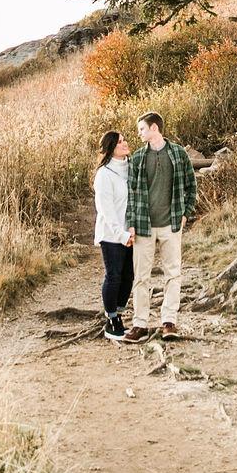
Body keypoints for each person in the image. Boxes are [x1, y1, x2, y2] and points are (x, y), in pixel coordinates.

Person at [119, 112, 197, 342]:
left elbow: (191, 186)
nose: (139, 133)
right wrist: (131, 223)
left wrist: (186, 214)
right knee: (141, 277)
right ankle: (139, 324)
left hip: (171, 225)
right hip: (144, 226)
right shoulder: (138, 158)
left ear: (154, 128)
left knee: (173, 274)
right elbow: (132, 194)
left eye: (141, 129)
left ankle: (168, 322)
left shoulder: (178, 153)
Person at [93, 130, 134, 341]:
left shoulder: (130, 168)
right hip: (111, 234)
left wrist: (132, 230)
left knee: (129, 276)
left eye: (125, 139)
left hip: (130, 232)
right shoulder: (104, 175)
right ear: (110, 148)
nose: (125, 143)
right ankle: (111, 320)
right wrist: (120, 234)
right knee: (114, 276)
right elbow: (106, 210)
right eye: (120, 142)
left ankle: (118, 314)